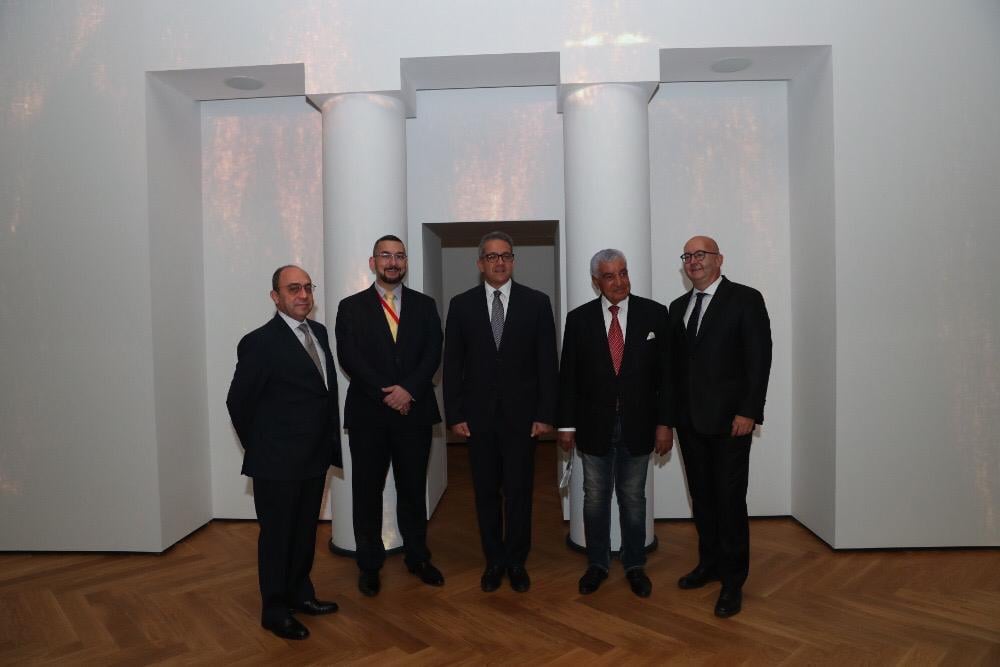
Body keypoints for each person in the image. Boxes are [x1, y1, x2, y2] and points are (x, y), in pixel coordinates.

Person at [226, 265, 342, 640]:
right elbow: (238, 402)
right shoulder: (259, 342)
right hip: (276, 463)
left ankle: (300, 594)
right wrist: (263, 448)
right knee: (277, 537)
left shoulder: (319, 332)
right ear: (275, 296)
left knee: (305, 532)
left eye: (308, 287)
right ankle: (274, 610)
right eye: (293, 289)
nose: (303, 295)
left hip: (314, 457)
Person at [443, 231, 558, 593]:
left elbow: (547, 364)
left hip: (523, 420)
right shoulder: (461, 305)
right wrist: (455, 414)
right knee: (485, 492)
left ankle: (516, 560)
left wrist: (545, 413)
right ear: (480, 263)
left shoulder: (536, 303)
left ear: (513, 261)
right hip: (477, 420)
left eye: (506, 255)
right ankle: (494, 559)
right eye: (492, 256)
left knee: (520, 492)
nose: (499, 262)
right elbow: (453, 364)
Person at [557, 249, 673, 598]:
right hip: (593, 426)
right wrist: (566, 426)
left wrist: (665, 424)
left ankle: (635, 564)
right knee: (594, 498)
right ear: (597, 282)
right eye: (610, 276)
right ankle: (597, 563)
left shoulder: (655, 314)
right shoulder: (578, 319)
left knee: (633, 498)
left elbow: (667, 377)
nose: (619, 282)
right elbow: (568, 377)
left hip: (640, 425)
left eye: (623, 273)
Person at [335, 234, 445, 597]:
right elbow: (350, 358)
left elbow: (433, 352)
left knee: (413, 489)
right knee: (367, 491)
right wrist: (388, 393)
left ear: (406, 263)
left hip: (414, 412)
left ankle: (418, 557)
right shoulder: (350, 307)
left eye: (399, 256)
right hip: (369, 415)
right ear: (373, 263)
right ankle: (369, 564)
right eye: (385, 255)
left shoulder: (425, 305)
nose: (393, 262)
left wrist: (408, 390)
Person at [669, 235, 772, 618]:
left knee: (729, 503)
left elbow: (759, 359)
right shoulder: (677, 307)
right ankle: (709, 564)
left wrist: (749, 411)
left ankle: (732, 581)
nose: (693, 261)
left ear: (719, 259)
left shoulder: (745, 299)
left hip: (731, 424)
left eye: (701, 254)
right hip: (690, 423)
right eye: (688, 256)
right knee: (702, 499)